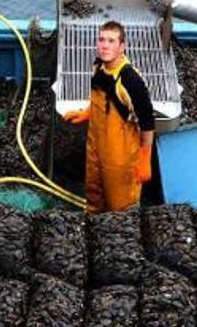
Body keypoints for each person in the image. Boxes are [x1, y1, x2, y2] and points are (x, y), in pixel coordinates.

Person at [63, 20, 155, 212]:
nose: (104, 45)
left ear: (122, 46)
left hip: (120, 158)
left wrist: (145, 157)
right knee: (93, 195)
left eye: (111, 41)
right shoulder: (98, 66)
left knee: (121, 208)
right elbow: (101, 98)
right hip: (96, 146)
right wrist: (87, 112)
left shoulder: (130, 80)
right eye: (102, 39)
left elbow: (147, 122)